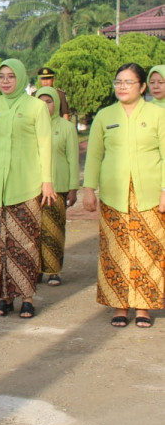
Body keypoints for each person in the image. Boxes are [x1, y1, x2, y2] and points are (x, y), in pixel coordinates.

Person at [83, 63, 165, 328]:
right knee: (115, 251)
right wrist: (88, 189)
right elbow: (94, 155)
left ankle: (143, 308)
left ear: (142, 87)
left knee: (148, 251)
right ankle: (119, 306)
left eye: (129, 82)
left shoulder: (157, 115)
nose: (122, 87)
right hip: (114, 195)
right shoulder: (105, 116)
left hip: (149, 195)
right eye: (118, 82)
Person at [0, 59, 55, 319]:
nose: (6, 81)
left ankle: (28, 298)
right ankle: (5, 297)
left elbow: (45, 145)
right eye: (2, 77)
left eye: (11, 76)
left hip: (27, 185)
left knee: (25, 243)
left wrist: (47, 181)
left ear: (21, 77)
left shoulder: (35, 107)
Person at [35, 87, 80, 286]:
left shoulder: (66, 127)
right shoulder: (31, 126)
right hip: (33, 187)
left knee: (54, 230)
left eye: (49, 101)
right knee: (35, 230)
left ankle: (54, 271)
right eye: (41, 101)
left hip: (58, 187)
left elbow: (73, 159)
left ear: (57, 103)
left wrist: (73, 188)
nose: (45, 105)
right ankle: (36, 270)